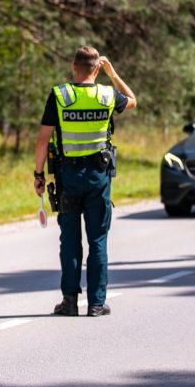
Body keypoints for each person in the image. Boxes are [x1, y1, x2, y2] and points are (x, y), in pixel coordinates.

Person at [34, 47, 136, 317]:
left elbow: (43, 139)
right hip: (98, 178)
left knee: (69, 239)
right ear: (97, 68)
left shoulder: (60, 96)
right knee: (98, 240)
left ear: (73, 66)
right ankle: (96, 303)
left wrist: (39, 175)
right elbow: (133, 100)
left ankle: (69, 301)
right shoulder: (107, 95)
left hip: (67, 178)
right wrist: (113, 74)